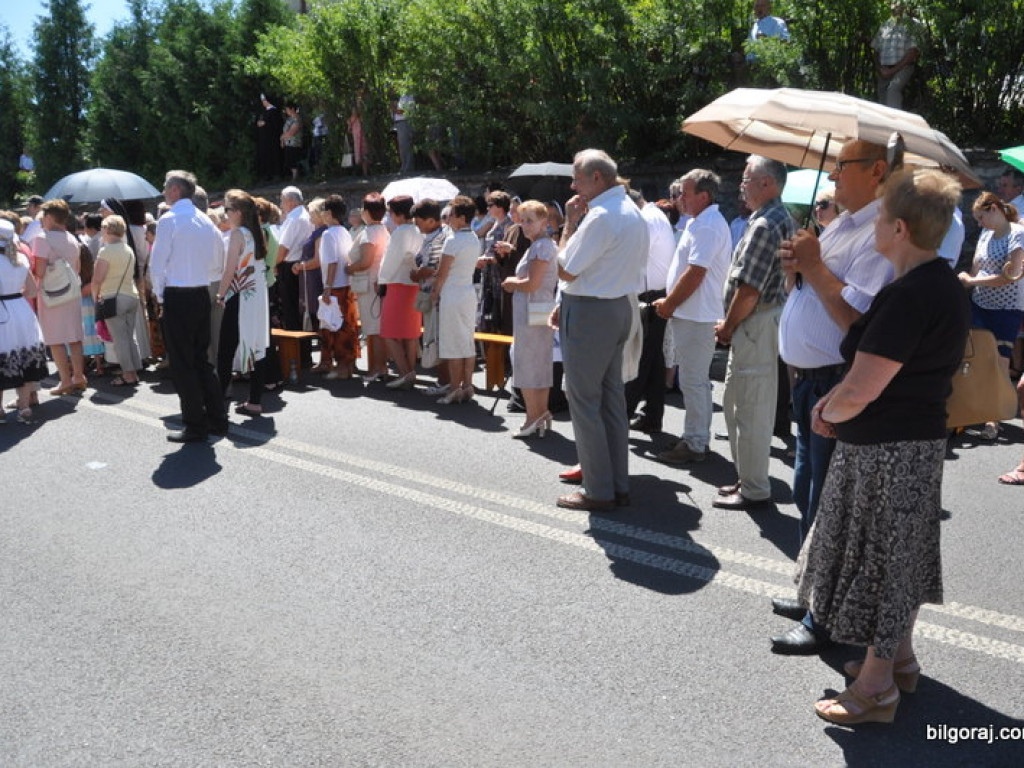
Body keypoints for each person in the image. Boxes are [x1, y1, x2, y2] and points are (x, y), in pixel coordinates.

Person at [795, 168, 969, 725]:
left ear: (897, 227)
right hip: (907, 445)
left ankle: (875, 691)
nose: (869, 224)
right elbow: (861, 334)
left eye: (877, 215)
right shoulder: (932, 282)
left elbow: (865, 384)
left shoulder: (911, 295)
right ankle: (899, 661)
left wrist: (829, 410)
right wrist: (819, 274)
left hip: (888, 451)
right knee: (902, 560)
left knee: (885, 567)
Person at [770, 140, 894, 655]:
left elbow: (856, 321)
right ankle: (810, 589)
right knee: (805, 490)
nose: (833, 178)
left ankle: (825, 616)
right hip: (806, 378)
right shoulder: (841, 223)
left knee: (827, 502)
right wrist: (796, 268)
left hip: (833, 378)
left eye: (843, 167)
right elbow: (813, 292)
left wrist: (815, 266)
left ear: (877, 171)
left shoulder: (880, 231)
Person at [554, 149, 648, 511]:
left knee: (585, 402)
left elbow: (566, 269)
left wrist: (568, 224)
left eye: (577, 177)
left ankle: (598, 489)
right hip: (617, 308)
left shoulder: (602, 217)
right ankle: (616, 484)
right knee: (611, 401)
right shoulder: (631, 212)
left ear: (597, 178)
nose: (573, 184)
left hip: (592, 312)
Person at [712, 156, 795, 511]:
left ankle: (755, 488)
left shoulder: (766, 224)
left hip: (754, 324)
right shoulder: (771, 218)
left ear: (767, 183)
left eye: (747, 179)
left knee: (750, 410)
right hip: (757, 323)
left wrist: (728, 327)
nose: (741, 185)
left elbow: (749, 290)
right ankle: (749, 479)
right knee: (740, 405)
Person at [653, 169, 732, 465]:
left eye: (685, 193)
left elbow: (697, 272)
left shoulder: (707, 225)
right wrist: (672, 300)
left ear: (704, 195)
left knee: (694, 381)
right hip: (693, 312)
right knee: (691, 380)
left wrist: (671, 303)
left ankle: (696, 442)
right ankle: (694, 436)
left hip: (697, 315)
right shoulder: (702, 222)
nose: (680, 199)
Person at [150, 170, 229, 443]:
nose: (163, 192)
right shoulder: (206, 220)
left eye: (165, 187)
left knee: (183, 364)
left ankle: (195, 425)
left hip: (178, 294)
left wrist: (160, 298)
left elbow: (157, 264)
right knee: (201, 360)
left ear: (175, 191)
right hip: (200, 293)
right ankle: (217, 419)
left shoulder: (169, 220)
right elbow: (218, 260)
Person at [957, 192, 1024, 440]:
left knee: (999, 363)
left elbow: (1011, 274)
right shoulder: (985, 235)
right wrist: (969, 282)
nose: (979, 223)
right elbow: (976, 266)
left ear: (994, 209)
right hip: (981, 304)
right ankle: (979, 410)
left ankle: (993, 417)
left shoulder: (1018, 234)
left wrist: (972, 280)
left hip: (1006, 309)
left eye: (981, 217)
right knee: (979, 360)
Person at [502, 200, 559, 437]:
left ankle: (533, 417)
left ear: (544, 222)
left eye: (530, 221)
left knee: (527, 361)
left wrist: (511, 283)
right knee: (538, 362)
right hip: (538, 307)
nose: (525, 225)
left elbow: (532, 284)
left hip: (533, 307)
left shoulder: (541, 246)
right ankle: (540, 413)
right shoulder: (540, 245)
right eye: (523, 220)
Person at [215, 189, 271, 417]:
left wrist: (219, 294)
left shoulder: (238, 234)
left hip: (240, 294)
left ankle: (218, 398)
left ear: (237, 212)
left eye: (227, 209)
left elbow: (230, 270)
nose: (224, 213)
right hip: (256, 294)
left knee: (226, 348)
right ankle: (255, 400)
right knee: (257, 344)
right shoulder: (257, 233)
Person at [625, 189, 675, 434]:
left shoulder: (646, 218)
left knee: (639, 358)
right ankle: (652, 416)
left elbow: (632, 257)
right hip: (653, 295)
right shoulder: (653, 215)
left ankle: (621, 416)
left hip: (650, 296)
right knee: (654, 361)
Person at [32, 199, 88, 396]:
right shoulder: (72, 238)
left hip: (51, 294)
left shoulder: (41, 238)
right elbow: (78, 269)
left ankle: (65, 380)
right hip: (72, 292)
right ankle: (79, 376)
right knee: (74, 336)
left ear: (48, 217)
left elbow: (39, 271)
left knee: (55, 339)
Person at [431, 196, 479, 404]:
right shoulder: (474, 237)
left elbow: (442, 274)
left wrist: (434, 294)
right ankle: (467, 385)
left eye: (451, 215)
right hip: (467, 293)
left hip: (452, 294)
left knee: (452, 343)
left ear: (461, 218)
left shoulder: (453, 240)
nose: (448, 218)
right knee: (466, 341)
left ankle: (454, 388)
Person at [0, 219, 48, 423]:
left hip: (3, 312)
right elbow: (31, 290)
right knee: (24, 355)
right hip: (21, 309)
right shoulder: (20, 259)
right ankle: (24, 405)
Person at [378, 195, 424, 389]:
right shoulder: (418, 230)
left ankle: (406, 372)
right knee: (411, 332)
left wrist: (381, 280)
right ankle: (409, 370)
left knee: (388, 331)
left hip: (397, 283)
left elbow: (390, 261)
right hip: (414, 283)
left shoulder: (400, 232)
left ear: (397, 213)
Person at [93, 215, 142, 387]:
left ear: (107, 229)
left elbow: (97, 279)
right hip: (131, 295)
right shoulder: (127, 249)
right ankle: (134, 371)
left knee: (119, 339)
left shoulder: (106, 251)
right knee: (129, 336)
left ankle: (128, 374)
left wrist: (95, 298)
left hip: (113, 298)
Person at [314, 195, 359, 381]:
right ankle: (344, 365)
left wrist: (327, 287)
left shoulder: (328, 233)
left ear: (329, 213)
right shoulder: (344, 231)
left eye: (324, 210)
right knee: (345, 326)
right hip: (346, 284)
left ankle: (341, 367)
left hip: (335, 286)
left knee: (336, 327)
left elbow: (332, 263)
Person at [348, 192, 390, 380]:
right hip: (376, 282)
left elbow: (365, 261)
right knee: (375, 328)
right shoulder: (383, 229)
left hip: (368, 282)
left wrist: (349, 268)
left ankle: (377, 368)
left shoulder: (370, 232)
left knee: (373, 329)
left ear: (366, 211)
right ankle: (379, 367)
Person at [409, 199, 449, 395]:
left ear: (431, 221)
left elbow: (432, 268)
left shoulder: (440, 238)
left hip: (436, 295)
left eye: (419, 220)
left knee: (436, 339)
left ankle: (445, 382)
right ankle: (445, 381)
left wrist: (416, 274)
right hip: (431, 293)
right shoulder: (431, 236)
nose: (416, 224)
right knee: (433, 338)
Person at [871, 1, 923, 109]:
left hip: (903, 68)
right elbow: (876, 50)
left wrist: (892, 71)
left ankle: (896, 123)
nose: (895, 6)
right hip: (884, 70)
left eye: (898, 3)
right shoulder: (885, 25)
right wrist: (880, 69)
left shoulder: (912, 24)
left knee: (892, 90)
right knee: (882, 101)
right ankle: (884, 125)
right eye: (893, 3)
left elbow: (913, 52)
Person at [275, 187, 313, 331]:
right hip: (299, 264)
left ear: (291, 202)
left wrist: (274, 264)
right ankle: (302, 350)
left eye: (282, 201)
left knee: (291, 310)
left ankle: (295, 350)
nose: (281, 205)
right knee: (299, 309)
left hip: (289, 266)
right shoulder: (305, 215)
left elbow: (283, 248)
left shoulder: (294, 218)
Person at [280, 101, 304, 181]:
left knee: (293, 161)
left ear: (292, 109)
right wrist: (282, 140)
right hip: (288, 143)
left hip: (294, 143)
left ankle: (295, 177)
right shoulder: (289, 119)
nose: (286, 111)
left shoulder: (297, 119)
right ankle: (293, 177)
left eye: (287, 109)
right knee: (288, 161)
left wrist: (283, 137)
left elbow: (292, 132)